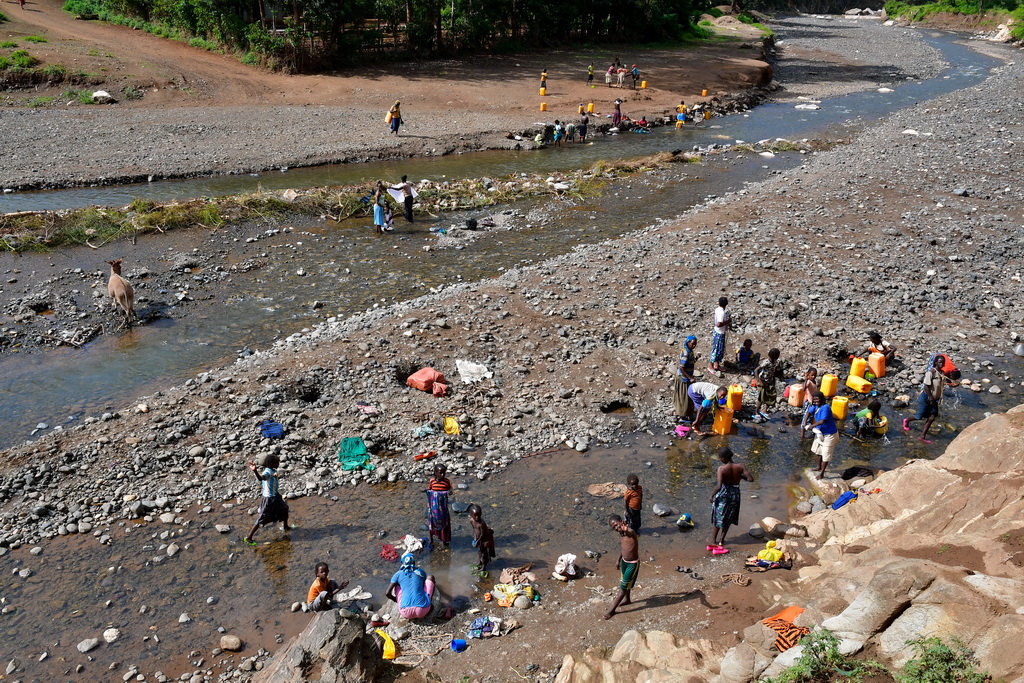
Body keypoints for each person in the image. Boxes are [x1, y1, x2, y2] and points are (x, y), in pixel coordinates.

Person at [709, 447, 753, 552]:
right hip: (735, 494)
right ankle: (721, 541)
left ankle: (713, 541)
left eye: (720, 458)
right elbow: (751, 479)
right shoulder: (741, 466)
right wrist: (741, 476)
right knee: (728, 517)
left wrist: (711, 495)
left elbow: (719, 486)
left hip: (724, 494)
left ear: (723, 458)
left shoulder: (721, 469)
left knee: (718, 517)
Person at [244, 454, 291, 544]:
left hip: (275, 496)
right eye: (277, 462)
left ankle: (285, 526)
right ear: (272, 464)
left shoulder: (272, 470)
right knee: (262, 518)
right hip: (269, 499)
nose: (278, 464)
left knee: (285, 508)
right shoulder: (267, 472)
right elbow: (261, 478)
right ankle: (249, 537)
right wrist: (255, 471)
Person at [903, 355, 952, 441]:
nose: (941, 364)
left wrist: (952, 384)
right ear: (936, 362)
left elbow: (943, 382)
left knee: (932, 417)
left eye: (943, 363)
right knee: (919, 417)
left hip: (935, 399)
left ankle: (922, 436)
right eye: (940, 362)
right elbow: (926, 387)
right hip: (927, 398)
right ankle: (906, 421)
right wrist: (931, 398)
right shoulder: (930, 373)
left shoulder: (942, 373)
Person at [604, 514, 639, 620]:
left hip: (632, 564)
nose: (615, 528)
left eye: (616, 525)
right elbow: (623, 547)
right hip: (624, 562)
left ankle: (611, 610)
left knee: (623, 587)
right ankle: (627, 600)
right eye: (613, 527)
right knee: (625, 582)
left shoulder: (630, 532)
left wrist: (626, 529)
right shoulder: (620, 534)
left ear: (621, 521)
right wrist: (618, 559)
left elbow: (631, 532)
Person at [386, 552, 435, 619]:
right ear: (414, 562)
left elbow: (387, 593)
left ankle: (404, 604)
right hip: (422, 611)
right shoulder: (420, 572)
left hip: (405, 612)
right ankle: (429, 603)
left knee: (397, 585)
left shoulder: (398, 574)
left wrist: (396, 599)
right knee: (430, 577)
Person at [805, 392, 839, 479]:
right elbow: (809, 412)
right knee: (818, 450)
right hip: (820, 433)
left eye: (817, 399)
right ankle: (818, 466)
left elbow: (822, 421)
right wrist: (805, 421)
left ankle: (822, 473)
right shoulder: (816, 406)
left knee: (826, 454)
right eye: (814, 399)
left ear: (822, 399)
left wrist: (811, 426)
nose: (815, 401)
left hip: (829, 434)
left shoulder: (825, 407)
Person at [673, 335, 699, 420]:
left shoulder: (690, 351)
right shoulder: (686, 353)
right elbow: (682, 367)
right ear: (688, 343)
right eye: (692, 344)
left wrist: (697, 358)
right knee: (683, 397)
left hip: (687, 377)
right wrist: (690, 378)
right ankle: (682, 415)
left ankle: (687, 412)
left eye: (695, 344)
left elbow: (691, 362)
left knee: (687, 396)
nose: (694, 346)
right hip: (683, 378)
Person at [426, 464, 452, 547]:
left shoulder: (446, 481)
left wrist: (450, 491)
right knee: (433, 522)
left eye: (444, 473)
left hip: (443, 508)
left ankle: (444, 539)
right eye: (440, 473)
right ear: (435, 473)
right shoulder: (432, 481)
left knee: (444, 522)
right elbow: (429, 490)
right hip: (434, 508)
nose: (442, 475)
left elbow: (449, 488)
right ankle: (432, 539)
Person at [753, 348, 781, 421]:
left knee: (772, 395)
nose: (778, 356)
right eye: (778, 355)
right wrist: (760, 381)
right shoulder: (766, 362)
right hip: (763, 381)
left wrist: (773, 381)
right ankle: (756, 412)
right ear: (774, 356)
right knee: (761, 397)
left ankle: (764, 410)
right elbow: (756, 370)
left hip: (770, 381)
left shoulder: (775, 362)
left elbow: (773, 372)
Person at [467, 504, 496, 572]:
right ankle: (480, 562)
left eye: (479, 515)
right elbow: (474, 529)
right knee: (480, 552)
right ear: (471, 515)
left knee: (484, 554)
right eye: (475, 515)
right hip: (478, 540)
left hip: (484, 540)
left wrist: (478, 541)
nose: (477, 517)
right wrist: (475, 538)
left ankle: (484, 566)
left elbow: (483, 534)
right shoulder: (472, 521)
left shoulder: (482, 523)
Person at [709, 297, 732, 377]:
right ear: (726, 304)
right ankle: (710, 366)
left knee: (719, 350)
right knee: (716, 350)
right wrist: (728, 322)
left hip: (718, 332)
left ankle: (717, 365)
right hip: (719, 333)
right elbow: (719, 324)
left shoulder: (718, 310)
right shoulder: (722, 312)